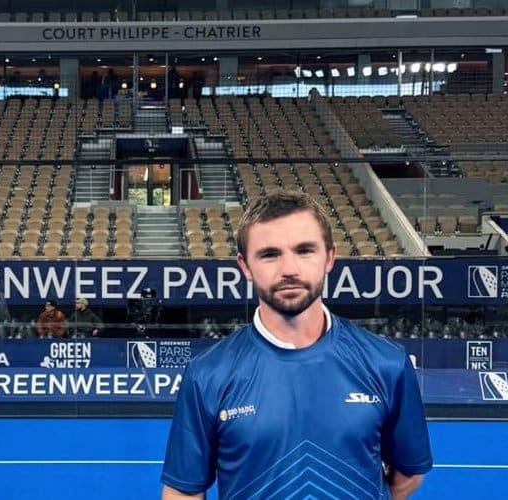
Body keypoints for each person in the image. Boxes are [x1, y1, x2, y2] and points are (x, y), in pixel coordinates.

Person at [161, 190, 432, 500]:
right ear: (245, 266)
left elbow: (407, 474)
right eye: (269, 254)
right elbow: (183, 492)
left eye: (305, 250)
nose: (289, 269)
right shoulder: (208, 374)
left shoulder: (386, 363)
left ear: (329, 257)